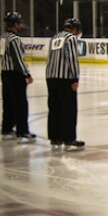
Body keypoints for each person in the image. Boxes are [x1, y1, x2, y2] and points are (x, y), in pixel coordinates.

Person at [46, 18, 85, 152]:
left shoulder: (55, 37)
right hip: (65, 79)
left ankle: (54, 137)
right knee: (68, 109)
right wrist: (75, 78)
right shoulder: (71, 38)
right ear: (74, 29)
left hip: (51, 77)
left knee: (54, 109)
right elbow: (72, 59)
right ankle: (68, 137)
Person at [0, 12, 36, 143]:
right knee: (20, 104)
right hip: (15, 75)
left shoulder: (4, 37)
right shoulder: (14, 39)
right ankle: (22, 131)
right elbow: (18, 60)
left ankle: (7, 128)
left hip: (5, 73)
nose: (20, 25)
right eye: (19, 23)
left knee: (8, 102)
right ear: (15, 24)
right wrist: (27, 74)